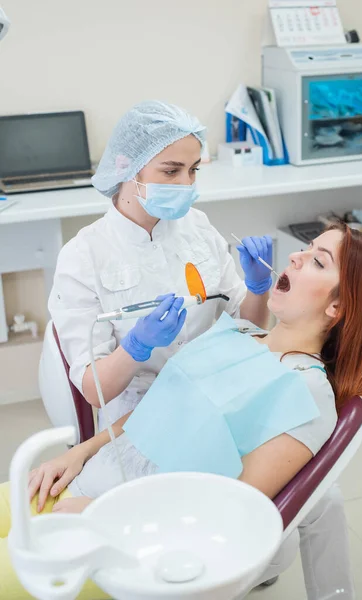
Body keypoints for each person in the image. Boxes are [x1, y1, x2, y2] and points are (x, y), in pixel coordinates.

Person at [1, 223, 362, 600]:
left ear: (337, 307)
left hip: (128, 544)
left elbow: (227, 507)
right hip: (83, 483)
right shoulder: (240, 331)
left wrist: (102, 516)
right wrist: (80, 452)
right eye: (307, 248)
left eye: (318, 261)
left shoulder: (306, 390)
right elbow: (157, 409)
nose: (297, 256)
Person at [45, 100, 273, 431]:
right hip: (137, 416)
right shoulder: (83, 257)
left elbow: (251, 328)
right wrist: (136, 346)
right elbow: (96, 390)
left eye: (194, 169)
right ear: (126, 167)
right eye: (171, 171)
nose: (187, 184)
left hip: (215, 392)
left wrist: (258, 289)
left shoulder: (198, 227)